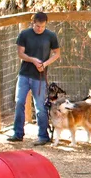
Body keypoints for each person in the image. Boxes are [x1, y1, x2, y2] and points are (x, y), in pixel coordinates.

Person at [10, 12, 60, 145]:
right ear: (33, 23)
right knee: (19, 102)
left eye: (42, 26)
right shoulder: (24, 34)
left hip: (40, 77)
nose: (40, 29)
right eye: (37, 26)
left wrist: (44, 64)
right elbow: (20, 53)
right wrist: (33, 60)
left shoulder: (50, 36)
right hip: (24, 74)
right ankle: (18, 133)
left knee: (40, 106)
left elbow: (57, 53)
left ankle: (43, 136)